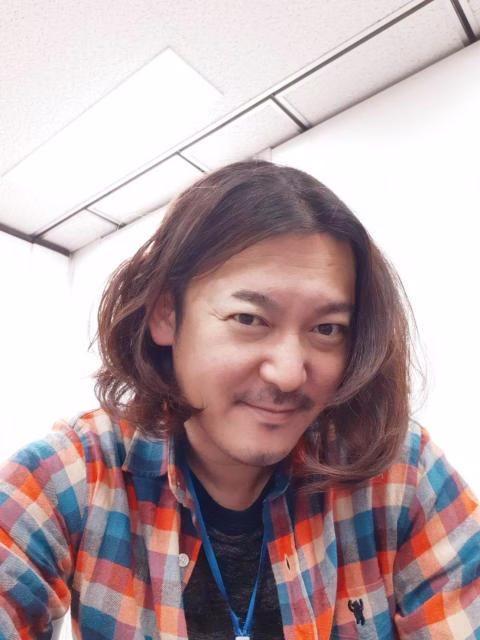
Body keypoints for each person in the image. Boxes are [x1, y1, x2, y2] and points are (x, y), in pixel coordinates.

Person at [0, 160, 478, 639]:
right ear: (166, 314)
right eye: (249, 319)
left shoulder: (400, 473)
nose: (289, 374)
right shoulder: (73, 476)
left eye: (327, 328)